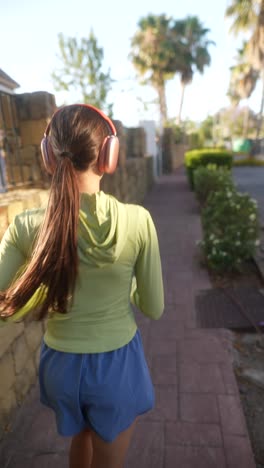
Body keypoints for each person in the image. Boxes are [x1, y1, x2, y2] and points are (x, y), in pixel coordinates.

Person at [0, 104, 164, 468]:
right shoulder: (139, 221)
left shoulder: (26, 225)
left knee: (81, 437)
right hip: (116, 367)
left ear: (47, 157)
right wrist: (130, 285)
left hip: (59, 368)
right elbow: (154, 307)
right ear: (108, 155)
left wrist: (45, 290)